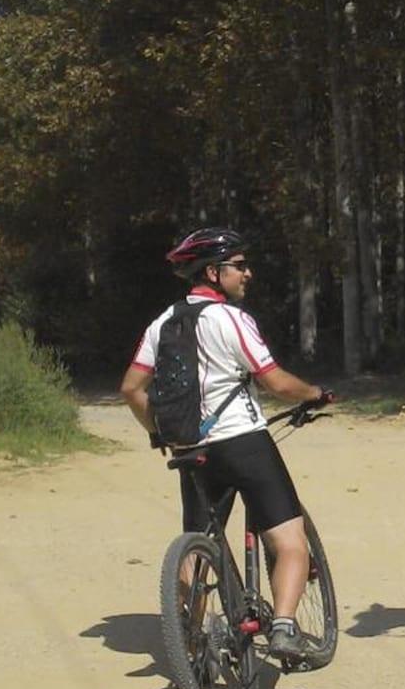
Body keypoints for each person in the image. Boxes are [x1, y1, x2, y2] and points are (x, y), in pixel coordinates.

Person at [119, 226, 334, 663]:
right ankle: (284, 627)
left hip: (191, 450)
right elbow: (275, 382)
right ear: (213, 272)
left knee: (198, 545)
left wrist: (157, 431)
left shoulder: (161, 323)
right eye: (239, 266)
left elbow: (131, 388)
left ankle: (191, 642)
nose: (248, 273)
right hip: (243, 443)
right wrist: (314, 394)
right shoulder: (232, 319)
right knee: (290, 540)